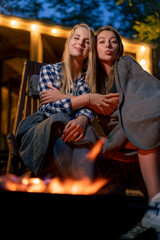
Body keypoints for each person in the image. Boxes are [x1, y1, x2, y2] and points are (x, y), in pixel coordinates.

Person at [46, 25, 160, 232]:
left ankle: (155, 205)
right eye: (101, 41)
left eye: (113, 41)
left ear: (120, 47)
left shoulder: (126, 64)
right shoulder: (92, 79)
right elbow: (88, 105)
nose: (108, 45)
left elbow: (147, 92)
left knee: (144, 121)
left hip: (138, 119)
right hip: (117, 132)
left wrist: (63, 97)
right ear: (94, 50)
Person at [15, 23, 99, 180]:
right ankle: (78, 187)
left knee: (85, 130)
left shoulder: (87, 79)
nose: (80, 43)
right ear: (69, 42)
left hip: (74, 132)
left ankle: (78, 189)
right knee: (60, 121)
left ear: (90, 51)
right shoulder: (49, 70)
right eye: (76, 38)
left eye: (86, 41)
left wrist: (82, 118)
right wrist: (85, 100)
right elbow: (49, 108)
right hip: (45, 130)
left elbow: (88, 109)